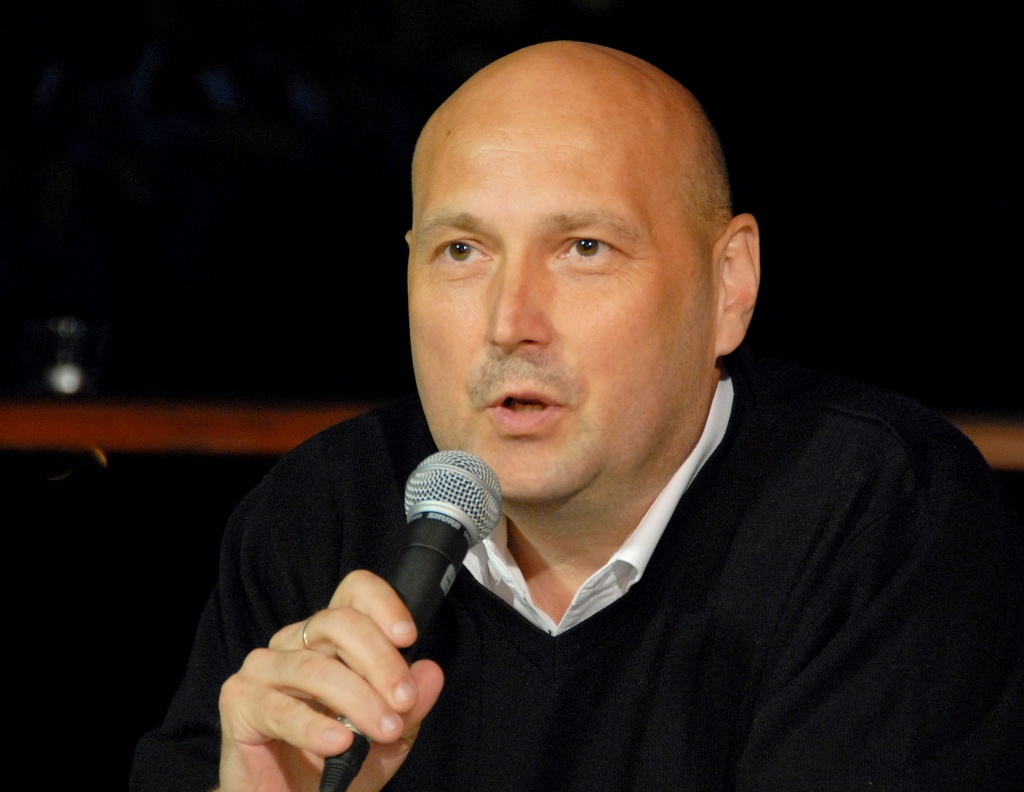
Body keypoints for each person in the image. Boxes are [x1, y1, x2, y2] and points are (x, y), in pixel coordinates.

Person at [131, 41, 1023, 791]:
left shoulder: (883, 514)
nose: (509, 322)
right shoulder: (315, 517)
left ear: (729, 285)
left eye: (584, 248)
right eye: (462, 250)